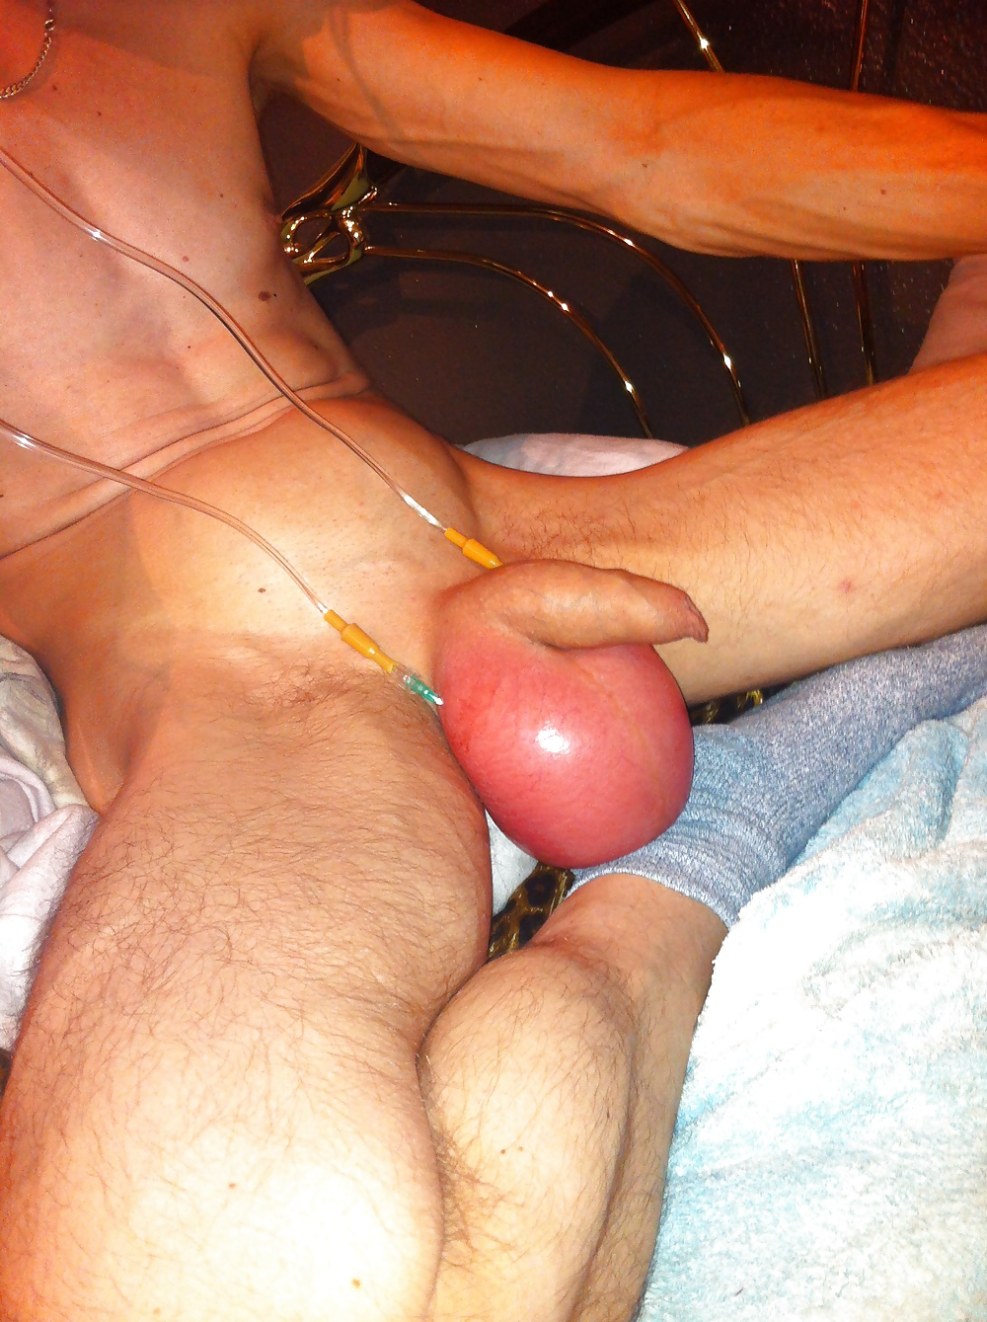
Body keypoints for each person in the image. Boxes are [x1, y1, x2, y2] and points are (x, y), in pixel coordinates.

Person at [0, 2, 984, 1318]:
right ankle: (676, 893)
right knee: (244, 1267)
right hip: (249, 663)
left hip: (538, 539)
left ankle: (684, 882)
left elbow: (647, 147)